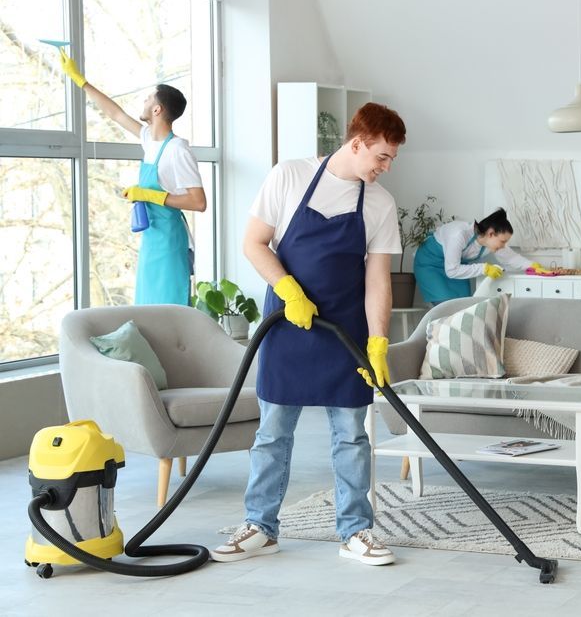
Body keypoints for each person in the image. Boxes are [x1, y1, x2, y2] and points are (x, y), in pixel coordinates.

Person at [211, 103, 406, 566]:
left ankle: (357, 531)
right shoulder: (290, 176)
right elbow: (254, 243)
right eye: (380, 156)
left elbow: (378, 279)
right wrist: (288, 290)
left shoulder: (379, 203)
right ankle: (261, 526)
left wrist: (378, 342)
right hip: (287, 324)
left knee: (351, 437)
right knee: (273, 433)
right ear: (356, 143)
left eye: (391, 160)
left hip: (344, 333)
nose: (385, 167)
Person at [59, 49, 206, 305]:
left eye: (149, 98)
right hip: (152, 237)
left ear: (158, 109)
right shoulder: (150, 141)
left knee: (167, 308)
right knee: (146, 306)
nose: (144, 101)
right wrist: (80, 81)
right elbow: (116, 114)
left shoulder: (177, 150)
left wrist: (151, 195)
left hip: (170, 242)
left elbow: (198, 202)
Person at [412, 209, 551, 305]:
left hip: (455, 268)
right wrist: (484, 268)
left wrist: (533, 266)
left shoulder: (489, 242)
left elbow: (511, 258)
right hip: (430, 265)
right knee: (444, 310)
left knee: (462, 309)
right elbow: (452, 270)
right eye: (503, 241)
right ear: (491, 233)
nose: (504, 245)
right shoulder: (459, 235)